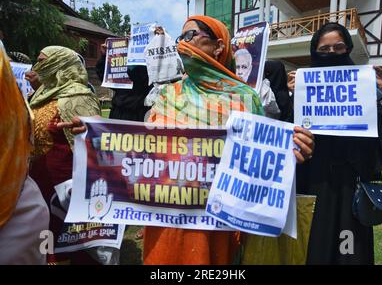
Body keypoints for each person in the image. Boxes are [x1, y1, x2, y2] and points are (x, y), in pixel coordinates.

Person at [59, 16, 315, 265]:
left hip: (218, 219)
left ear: (218, 46)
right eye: (180, 37)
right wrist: (97, 133)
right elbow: (143, 147)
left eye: (190, 35)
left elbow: (259, 158)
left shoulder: (245, 98)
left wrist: (290, 149)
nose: (182, 43)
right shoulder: (170, 93)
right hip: (167, 215)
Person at [295, 22, 382, 265]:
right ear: (314, 53)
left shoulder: (362, 87)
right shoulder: (302, 91)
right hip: (313, 183)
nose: (332, 54)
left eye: (338, 47)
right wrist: (291, 100)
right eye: (324, 50)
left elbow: (374, 147)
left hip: (351, 185)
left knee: (349, 252)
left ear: (348, 49)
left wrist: (373, 99)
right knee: (315, 247)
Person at [28, 46, 102, 264]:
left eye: (42, 61)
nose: (37, 66)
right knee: (45, 232)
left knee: (69, 235)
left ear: (59, 64)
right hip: (39, 180)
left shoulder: (79, 96)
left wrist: (90, 130)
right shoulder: (40, 94)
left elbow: (99, 144)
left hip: (67, 184)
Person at [0, 40, 49, 265]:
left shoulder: (25, 211)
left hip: (57, 178)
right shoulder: (32, 98)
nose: (36, 70)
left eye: (43, 63)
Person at [96, 44, 152, 121]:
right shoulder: (120, 57)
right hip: (118, 112)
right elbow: (106, 78)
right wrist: (104, 56)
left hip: (140, 113)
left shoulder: (149, 62)